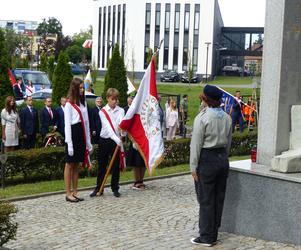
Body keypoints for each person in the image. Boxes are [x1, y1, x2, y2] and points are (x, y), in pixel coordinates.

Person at [190, 85, 232, 247]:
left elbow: (196, 145)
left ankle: (206, 236)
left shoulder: (202, 118)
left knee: (206, 199)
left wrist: (193, 167)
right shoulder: (227, 117)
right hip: (222, 158)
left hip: (206, 159)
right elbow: (228, 143)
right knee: (218, 198)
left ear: (205, 98)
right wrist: (223, 159)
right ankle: (213, 232)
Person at [90, 88, 125, 198]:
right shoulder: (102, 112)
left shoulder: (121, 110)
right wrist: (118, 140)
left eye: (116, 99)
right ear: (107, 99)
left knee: (115, 165)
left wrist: (123, 133)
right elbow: (109, 129)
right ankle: (99, 187)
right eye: (112, 99)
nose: (114, 101)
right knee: (102, 164)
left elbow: (121, 125)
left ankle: (115, 188)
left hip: (116, 140)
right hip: (105, 139)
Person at [64, 78, 93, 202]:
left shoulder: (83, 103)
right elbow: (67, 125)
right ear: (75, 88)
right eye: (80, 88)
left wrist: (88, 141)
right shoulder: (69, 104)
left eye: (83, 88)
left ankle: (75, 191)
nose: (82, 90)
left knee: (77, 165)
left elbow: (86, 123)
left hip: (81, 133)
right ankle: (68, 193)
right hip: (73, 133)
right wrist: (69, 143)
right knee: (69, 164)